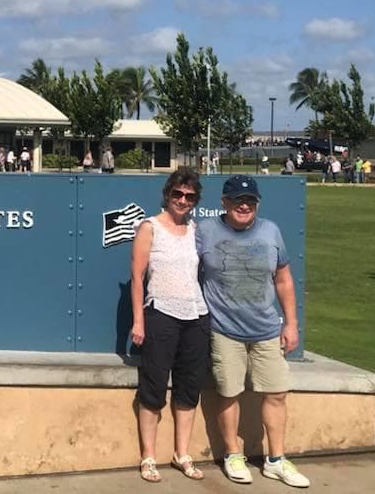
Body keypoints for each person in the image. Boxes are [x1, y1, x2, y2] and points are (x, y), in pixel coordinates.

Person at [196, 175, 310, 488]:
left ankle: (276, 460)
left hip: (266, 329)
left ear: (257, 203)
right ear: (224, 202)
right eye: (237, 200)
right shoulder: (205, 231)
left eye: (250, 201)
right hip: (224, 330)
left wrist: (291, 323)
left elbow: (284, 279)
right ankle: (234, 454)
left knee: (276, 393)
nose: (244, 205)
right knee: (229, 393)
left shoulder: (270, 230)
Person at [130, 167, 209, 483]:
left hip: (196, 317)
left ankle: (182, 454)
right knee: (153, 388)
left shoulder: (196, 230)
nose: (182, 200)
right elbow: (137, 277)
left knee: (189, 389)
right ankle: (148, 457)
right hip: (160, 314)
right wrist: (139, 320)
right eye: (177, 194)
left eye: (189, 196)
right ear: (167, 194)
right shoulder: (149, 227)